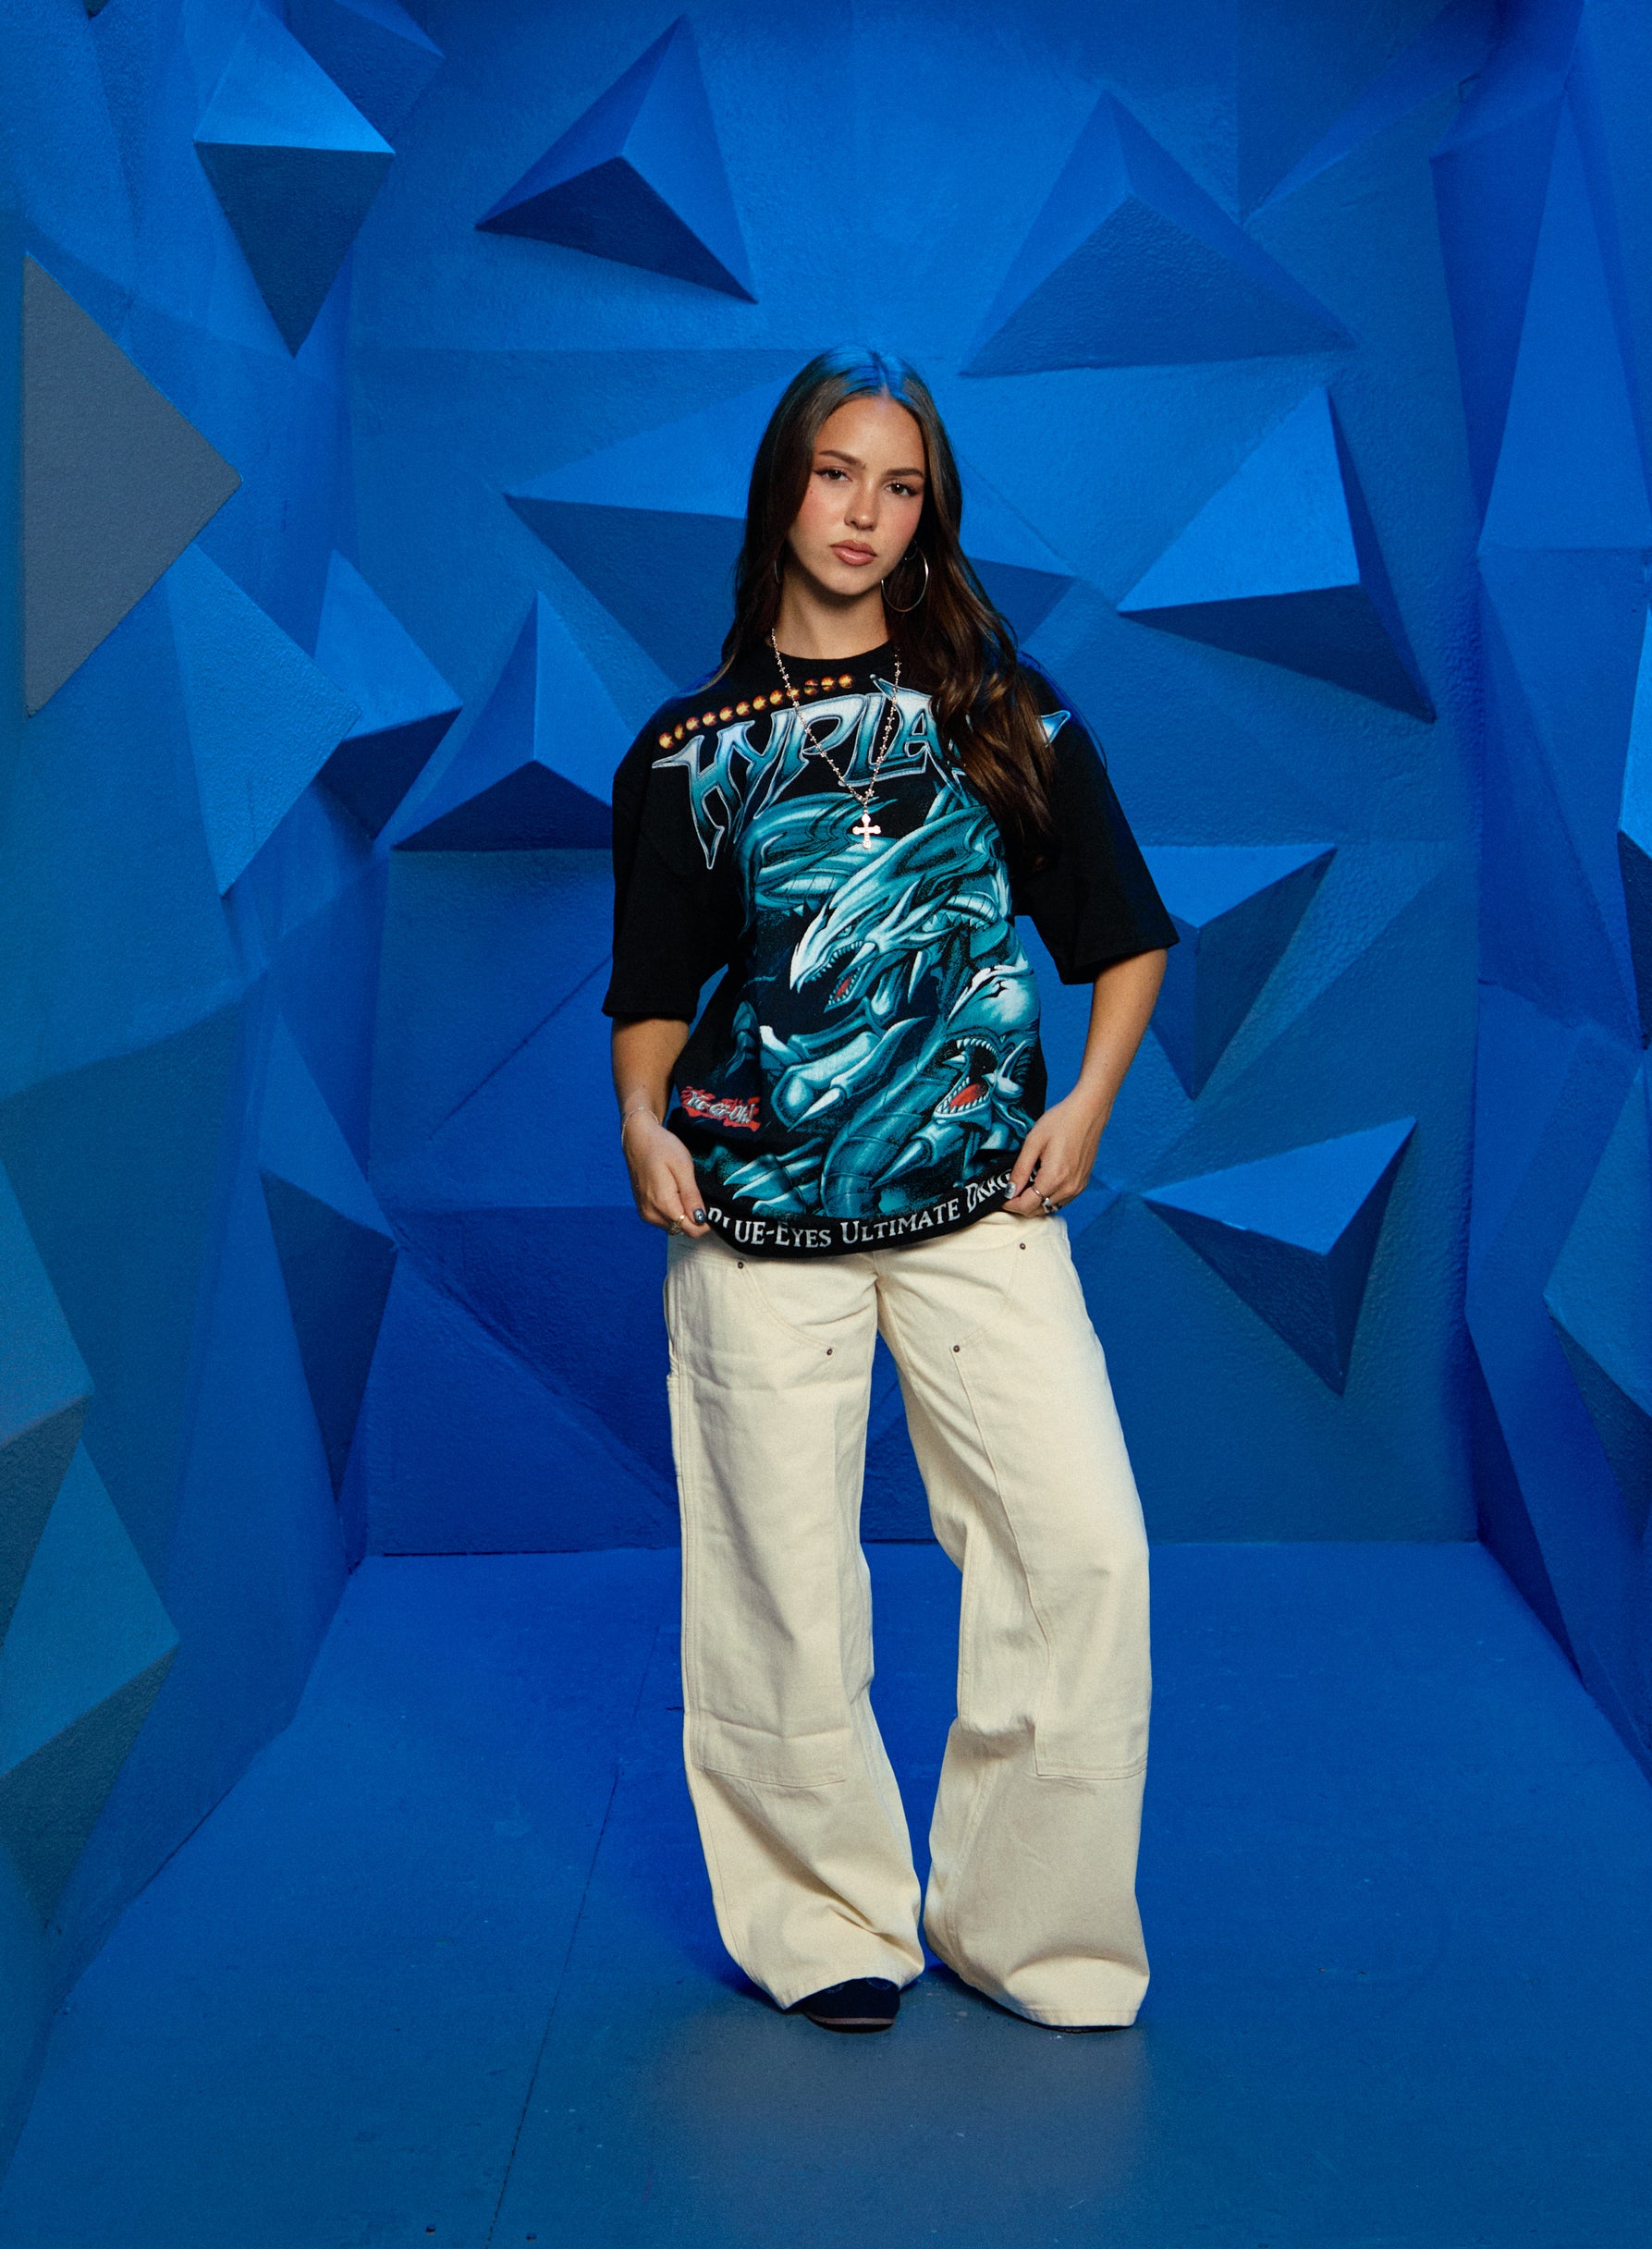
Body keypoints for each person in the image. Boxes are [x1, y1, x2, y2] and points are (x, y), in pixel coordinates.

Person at [604, 348, 1176, 2035]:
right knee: (778, 1581)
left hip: (979, 1209)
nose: (863, 512)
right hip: (752, 1218)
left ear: (930, 516)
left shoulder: (1000, 707)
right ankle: (824, 1924)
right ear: (781, 487)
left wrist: (1086, 1102)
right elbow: (653, 986)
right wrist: (640, 1117)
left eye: (900, 485)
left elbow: (1123, 928)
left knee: (1079, 1550)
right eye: (835, 472)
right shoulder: (683, 748)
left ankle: (1033, 1929)